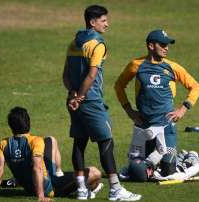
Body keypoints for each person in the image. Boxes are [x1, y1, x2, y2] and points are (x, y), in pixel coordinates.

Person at [62, 4, 141, 201]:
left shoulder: (73, 43)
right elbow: (91, 74)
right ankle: (115, 189)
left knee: (79, 142)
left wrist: (73, 95)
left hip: (73, 100)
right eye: (104, 21)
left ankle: (81, 189)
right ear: (92, 22)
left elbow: (65, 75)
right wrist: (81, 96)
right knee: (106, 142)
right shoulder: (98, 45)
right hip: (90, 101)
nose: (107, 24)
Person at [114, 29, 199, 176]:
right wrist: (129, 110)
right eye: (162, 44)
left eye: (167, 44)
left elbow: (196, 87)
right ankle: (155, 163)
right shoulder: (136, 65)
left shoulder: (173, 67)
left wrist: (183, 109)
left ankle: (193, 160)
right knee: (140, 172)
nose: (166, 48)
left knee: (168, 169)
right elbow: (119, 86)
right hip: (144, 128)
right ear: (151, 46)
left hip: (166, 125)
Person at [0, 107, 104, 201]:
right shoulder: (35, 141)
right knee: (95, 173)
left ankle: (59, 172)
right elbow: (37, 167)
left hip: (29, 185)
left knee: (50, 140)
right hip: (50, 188)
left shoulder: (4, 143)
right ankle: (84, 188)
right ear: (28, 122)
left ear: (11, 126)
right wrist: (41, 196)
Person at [122, 149, 199, 182]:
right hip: (181, 168)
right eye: (148, 168)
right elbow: (185, 175)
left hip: (169, 158)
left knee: (164, 156)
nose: (150, 168)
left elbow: (123, 173)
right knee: (180, 173)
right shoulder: (165, 176)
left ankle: (185, 157)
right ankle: (194, 159)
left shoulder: (133, 173)